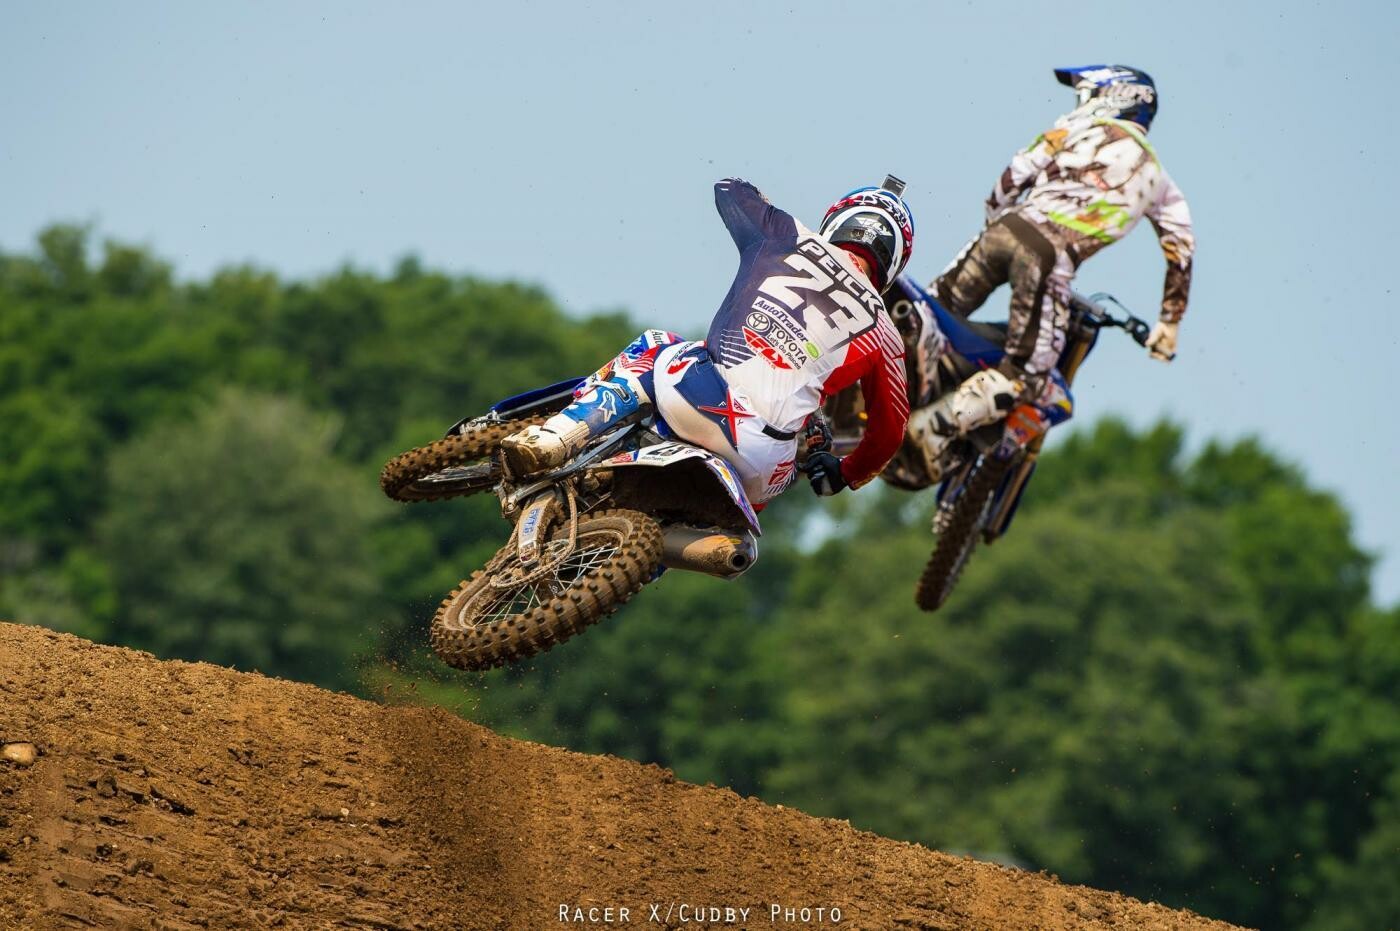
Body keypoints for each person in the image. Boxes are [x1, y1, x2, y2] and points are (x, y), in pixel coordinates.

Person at [501, 177, 915, 506]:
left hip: (699, 397)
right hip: (763, 463)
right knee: (762, 492)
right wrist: (845, 474)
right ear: (893, 263)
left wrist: (765, 206)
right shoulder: (885, 332)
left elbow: (728, 189)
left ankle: (554, 438)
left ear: (837, 220)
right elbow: (890, 434)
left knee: (656, 345)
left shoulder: (788, 234)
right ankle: (659, 556)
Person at [907, 65, 1196, 472]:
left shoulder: (1075, 127)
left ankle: (886, 372)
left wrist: (996, 220)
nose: (1082, 101)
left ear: (1116, 97)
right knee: (1027, 376)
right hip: (1049, 258)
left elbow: (1014, 175)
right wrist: (1169, 322)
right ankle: (933, 427)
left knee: (927, 311)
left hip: (1005, 229)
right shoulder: (1158, 178)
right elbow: (1180, 248)